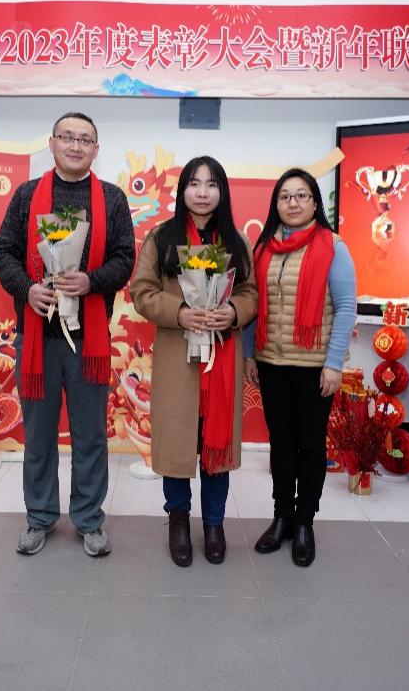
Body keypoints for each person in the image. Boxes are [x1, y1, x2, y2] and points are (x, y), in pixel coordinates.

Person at [0, 112, 135, 558]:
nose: (76, 145)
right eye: (67, 137)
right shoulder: (27, 195)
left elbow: (125, 258)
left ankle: (89, 520)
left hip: (89, 341)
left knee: (90, 435)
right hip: (38, 338)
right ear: (52, 143)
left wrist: (92, 281)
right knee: (38, 435)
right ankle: (40, 517)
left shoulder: (111, 199)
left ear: (96, 149)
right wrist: (27, 289)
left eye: (85, 140)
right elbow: (3, 252)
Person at [130, 157, 258, 567]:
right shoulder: (161, 238)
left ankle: (215, 523)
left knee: (215, 443)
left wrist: (233, 311)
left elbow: (251, 294)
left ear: (222, 192)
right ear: (182, 189)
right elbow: (141, 292)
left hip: (222, 358)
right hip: (177, 359)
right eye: (194, 183)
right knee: (177, 441)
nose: (203, 192)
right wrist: (180, 312)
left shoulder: (236, 241)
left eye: (212, 184)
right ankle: (179, 520)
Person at [243, 168, 357, 567]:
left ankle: (305, 521)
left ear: (314, 202)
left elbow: (346, 308)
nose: (292, 203)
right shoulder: (264, 248)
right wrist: (249, 355)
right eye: (285, 196)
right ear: (276, 203)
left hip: (314, 367)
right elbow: (252, 305)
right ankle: (282, 518)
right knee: (281, 444)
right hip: (271, 363)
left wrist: (333, 364)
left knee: (310, 446)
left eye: (301, 195)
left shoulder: (333, 246)